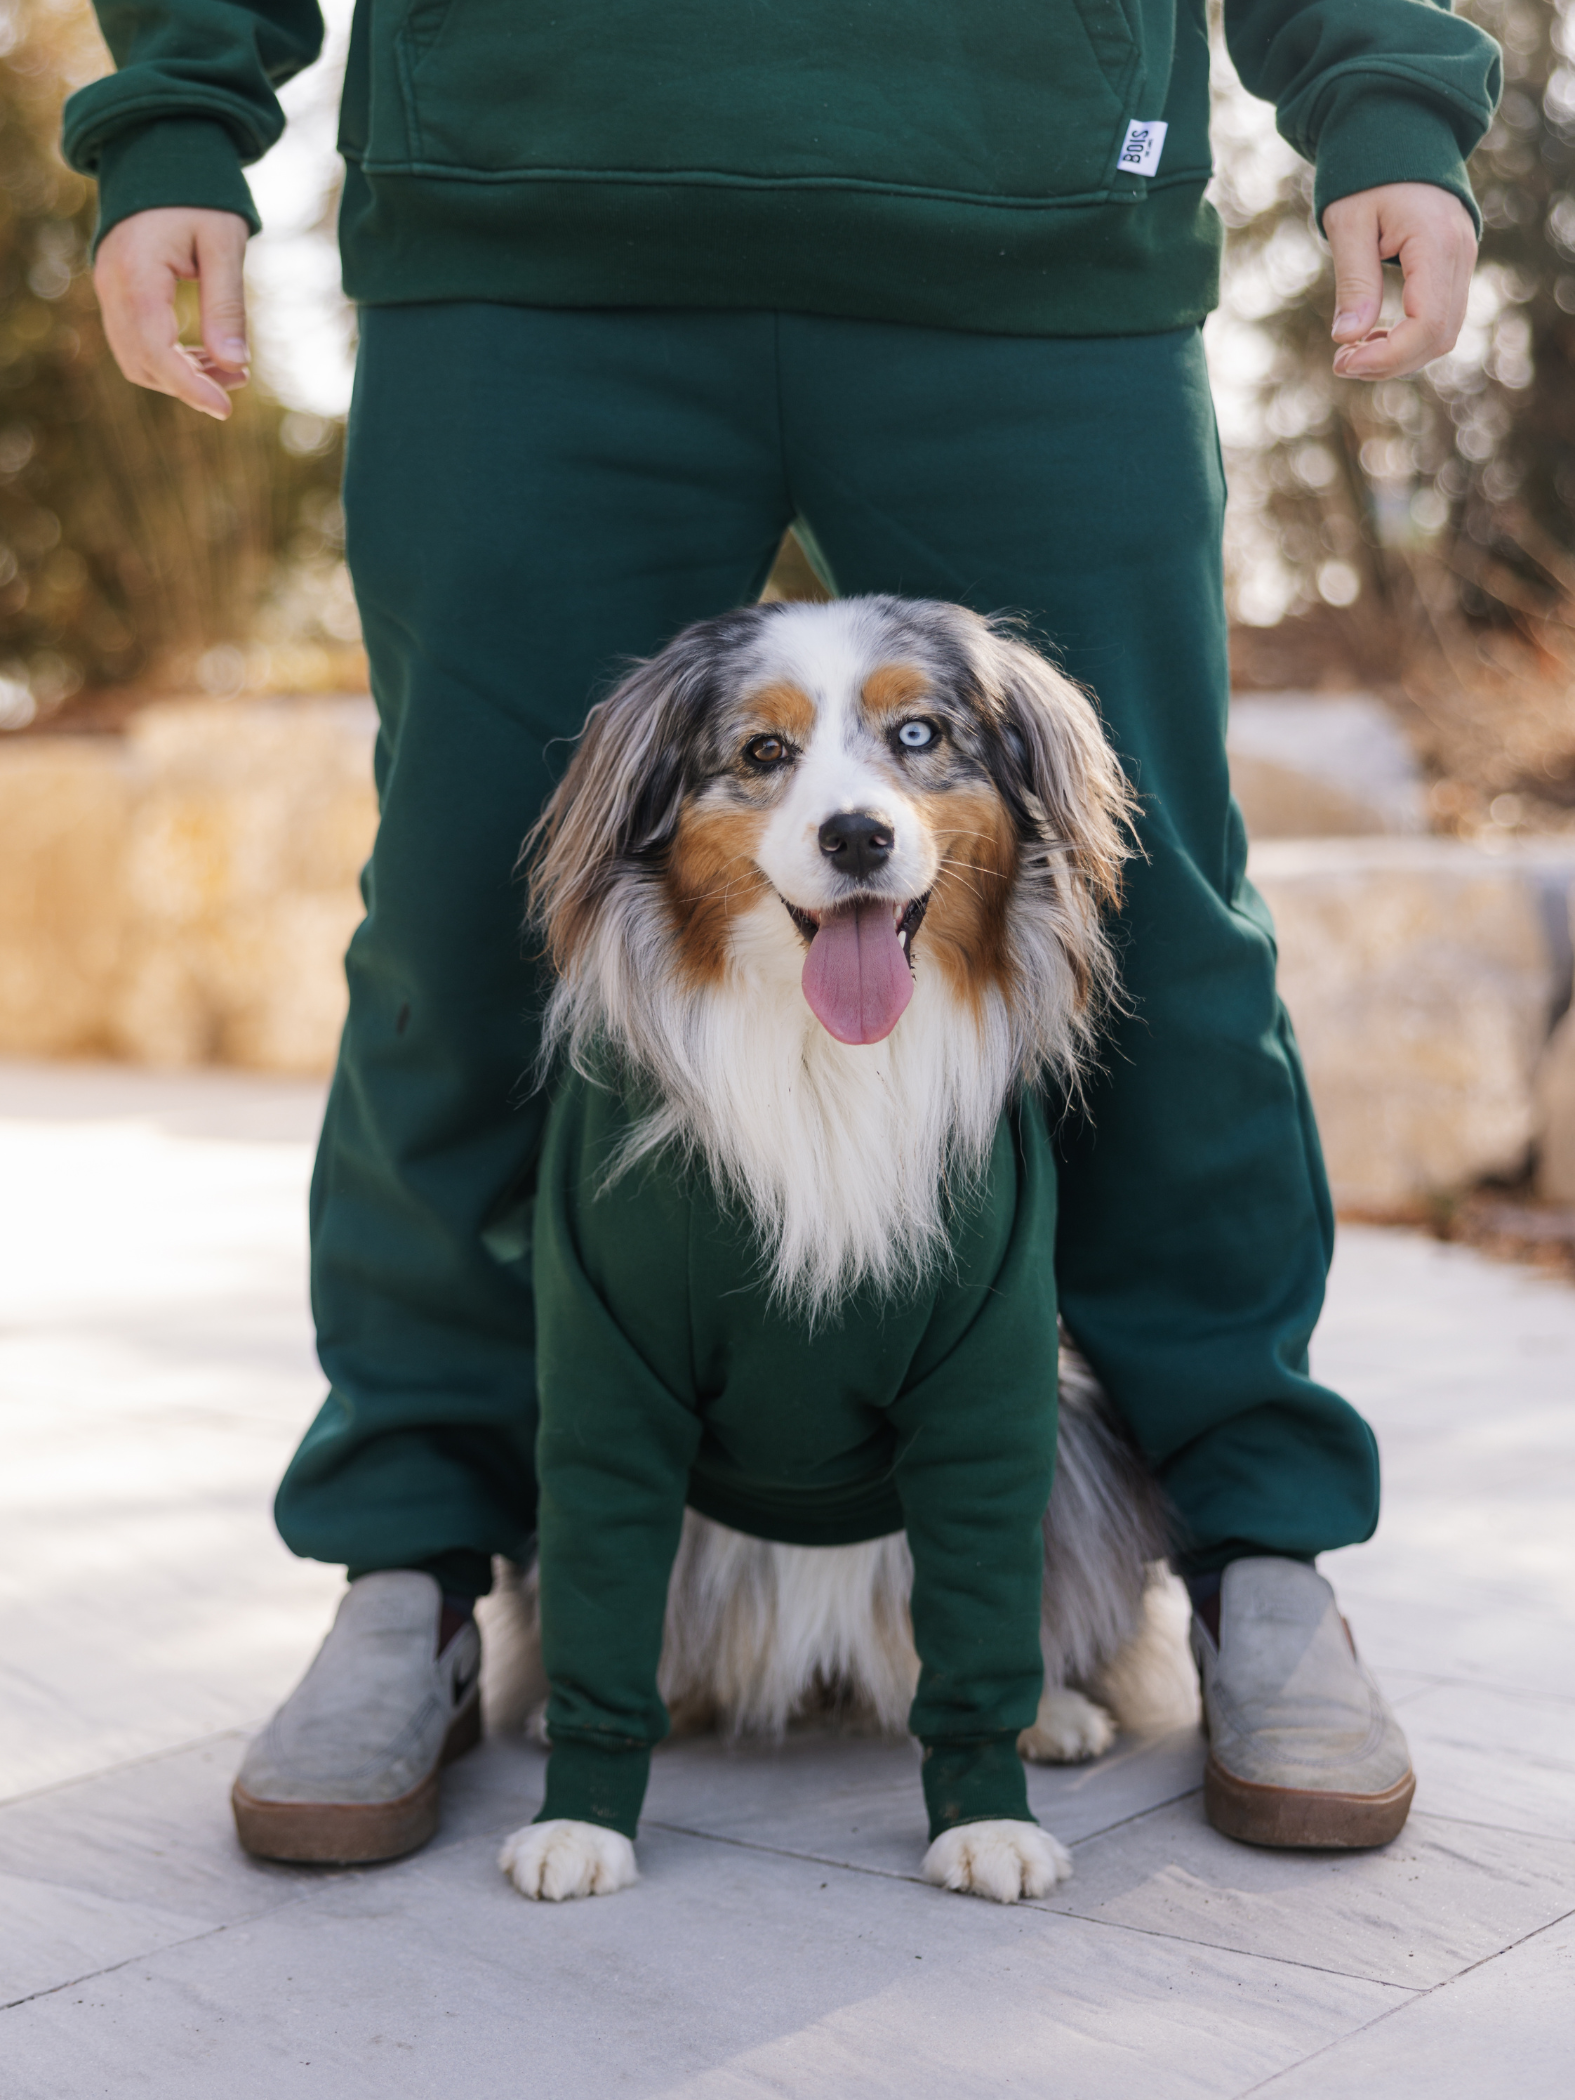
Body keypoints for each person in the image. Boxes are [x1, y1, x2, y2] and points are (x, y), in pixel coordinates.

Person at [67, 0, 1500, 1865]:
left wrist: (1377, 88)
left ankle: (1253, 1551)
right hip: (528, 213)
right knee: (454, 938)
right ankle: (410, 1566)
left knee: (1155, 928)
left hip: (1032, 217)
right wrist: (180, 112)